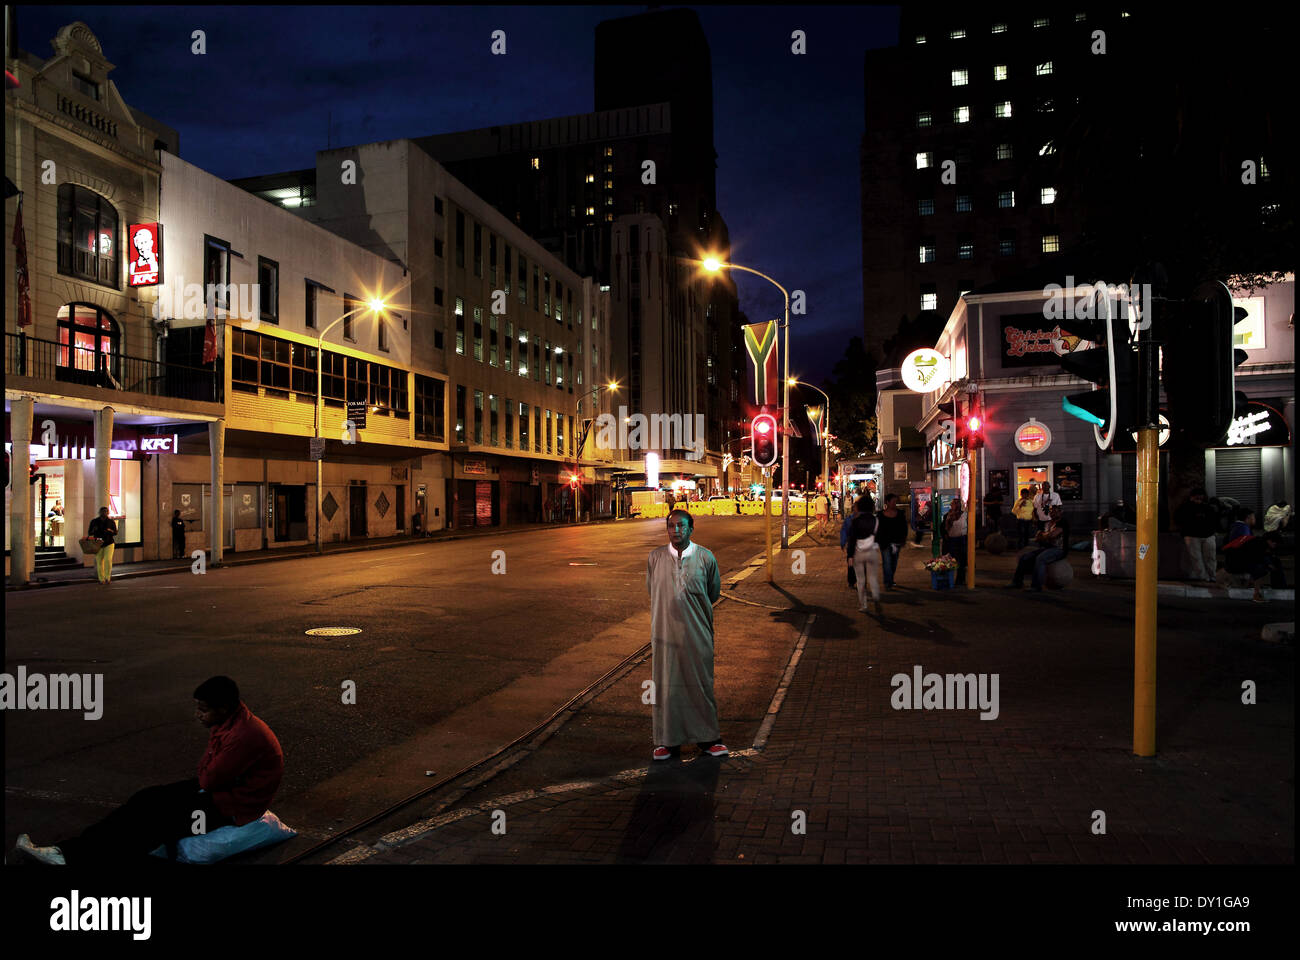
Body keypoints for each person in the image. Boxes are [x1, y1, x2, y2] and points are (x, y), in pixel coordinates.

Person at [12, 676, 283, 865]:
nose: (198, 715)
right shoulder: (229, 723)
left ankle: (72, 857)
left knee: (154, 822)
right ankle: (64, 851)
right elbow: (207, 771)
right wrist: (206, 773)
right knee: (146, 799)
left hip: (232, 808)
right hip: (219, 793)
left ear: (223, 708)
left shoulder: (242, 735)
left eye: (203, 710)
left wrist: (206, 774)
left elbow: (209, 777)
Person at [646, 509, 725, 762]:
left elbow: (713, 593)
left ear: (691, 529)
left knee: (700, 685)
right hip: (664, 635)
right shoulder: (655, 558)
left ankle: (708, 739)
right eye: (671, 526)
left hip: (697, 633)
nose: (675, 530)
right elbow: (653, 591)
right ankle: (666, 742)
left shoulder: (705, 557)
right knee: (666, 686)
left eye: (681, 526)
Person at [1009, 505, 1071, 591]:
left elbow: (1052, 535)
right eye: (1051, 511)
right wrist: (1044, 536)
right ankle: (1017, 582)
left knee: (1040, 559)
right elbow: (1039, 536)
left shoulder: (1062, 522)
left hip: (1059, 550)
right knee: (1024, 558)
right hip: (1047, 548)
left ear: (1060, 512)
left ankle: (1036, 586)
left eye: (1056, 511)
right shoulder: (1048, 523)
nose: (1053, 513)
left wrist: (1044, 535)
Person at [1174, 487, 1218, 582]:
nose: (1199, 500)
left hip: (1199, 535)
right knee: (1200, 558)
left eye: (1200, 498)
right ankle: (1206, 577)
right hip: (1196, 535)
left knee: (1204, 558)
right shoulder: (1186, 507)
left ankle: (1208, 576)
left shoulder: (1207, 507)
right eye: (1197, 498)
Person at [848, 495, 883, 615]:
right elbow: (879, 537)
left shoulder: (856, 521)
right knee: (873, 578)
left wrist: (850, 556)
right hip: (872, 551)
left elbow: (852, 539)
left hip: (859, 552)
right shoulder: (876, 519)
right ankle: (876, 596)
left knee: (860, 580)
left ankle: (863, 605)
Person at [875, 493, 909, 590]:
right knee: (887, 562)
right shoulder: (880, 515)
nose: (895, 504)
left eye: (896, 502)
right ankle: (887, 583)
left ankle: (890, 578)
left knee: (894, 562)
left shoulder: (900, 514)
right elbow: (877, 529)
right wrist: (877, 541)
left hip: (896, 542)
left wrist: (903, 539)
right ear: (887, 502)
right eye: (893, 502)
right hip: (885, 543)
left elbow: (904, 528)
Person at [87, 506, 117, 584]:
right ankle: (101, 579)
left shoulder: (111, 522)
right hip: (98, 543)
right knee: (99, 561)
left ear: (108, 513)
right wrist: (94, 530)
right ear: (99, 513)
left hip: (109, 542)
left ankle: (107, 577)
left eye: (106, 512)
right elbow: (90, 532)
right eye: (102, 511)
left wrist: (110, 531)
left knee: (108, 559)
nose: (104, 513)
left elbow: (115, 532)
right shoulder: (94, 521)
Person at [942, 497, 968, 580]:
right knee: (949, 560)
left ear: (958, 505)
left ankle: (960, 579)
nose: (950, 505)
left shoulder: (965, 515)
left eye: (953, 504)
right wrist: (945, 535)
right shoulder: (948, 515)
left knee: (961, 561)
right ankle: (948, 579)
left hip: (961, 540)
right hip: (950, 541)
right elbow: (943, 528)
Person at [841, 497, 861, 589]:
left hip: (861, 546)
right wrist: (843, 542)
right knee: (851, 564)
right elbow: (844, 531)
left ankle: (859, 580)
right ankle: (851, 581)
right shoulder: (849, 519)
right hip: (852, 546)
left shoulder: (863, 519)